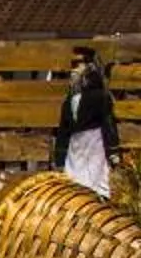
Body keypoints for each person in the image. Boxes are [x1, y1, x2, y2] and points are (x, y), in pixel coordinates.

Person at [49, 49, 120, 197]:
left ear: (89, 67)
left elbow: (108, 122)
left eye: (77, 65)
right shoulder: (69, 100)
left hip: (94, 144)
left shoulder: (99, 96)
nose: (73, 70)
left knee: (94, 184)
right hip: (75, 147)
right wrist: (60, 157)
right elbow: (64, 130)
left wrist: (113, 151)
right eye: (72, 66)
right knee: (73, 185)